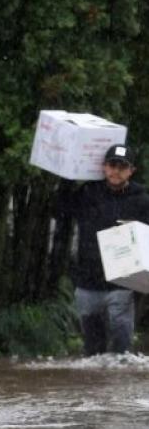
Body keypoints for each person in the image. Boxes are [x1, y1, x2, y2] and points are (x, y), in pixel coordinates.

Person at [63, 144, 149, 356]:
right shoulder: (87, 192)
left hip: (122, 282)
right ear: (104, 167)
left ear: (131, 170)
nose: (116, 171)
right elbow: (61, 211)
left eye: (122, 166)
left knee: (121, 343)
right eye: (112, 165)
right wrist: (66, 180)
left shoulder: (142, 200)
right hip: (87, 280)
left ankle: (117, 385)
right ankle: (96, 386)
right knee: (92, 349)